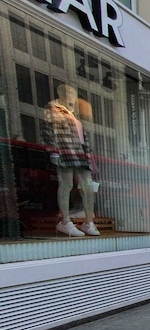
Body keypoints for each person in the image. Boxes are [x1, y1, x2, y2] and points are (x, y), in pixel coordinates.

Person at [42, 84, 99, 237]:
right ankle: (65, 221)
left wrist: (89, 154)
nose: (71, 95)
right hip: (65, 151)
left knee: (88, 187)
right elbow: (48, 131)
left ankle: (88, 222)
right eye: (68, 92)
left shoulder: (74, 114)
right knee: (66, 184)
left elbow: (84, 137)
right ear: (59, 93)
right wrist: (53, 151)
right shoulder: (53, 109)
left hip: (80, 154)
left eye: (73, 92)